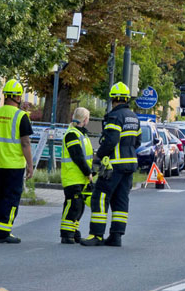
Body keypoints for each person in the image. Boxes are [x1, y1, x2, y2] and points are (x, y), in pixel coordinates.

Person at [81, 82, 141, 247]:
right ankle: (116, 236)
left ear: (114, 99)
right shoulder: (134, 117)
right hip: (130, 164)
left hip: (114, 165)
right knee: (121, 200)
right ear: (127, 99)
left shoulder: (115, 117)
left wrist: (99, 156)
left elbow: (111, 140)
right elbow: (138, 141)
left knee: (100, 197)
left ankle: (96, 235)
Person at [0, 79, 34, 243]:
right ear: (19, 97)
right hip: (14, 165)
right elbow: (26, 142)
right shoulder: (21, 116)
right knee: (12, 198)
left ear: (6, 95)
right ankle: (4, 232)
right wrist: (30, 165)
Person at [60, 107, 94, 244]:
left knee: (78, 206)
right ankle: (66, 234)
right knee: (72, 205)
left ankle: (73, 231)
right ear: (85, 120)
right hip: (72, 177)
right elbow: (77, 156)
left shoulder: (82, 135)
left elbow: (86, 156)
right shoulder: (72, 134)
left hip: (80, 178)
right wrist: (88, 172)